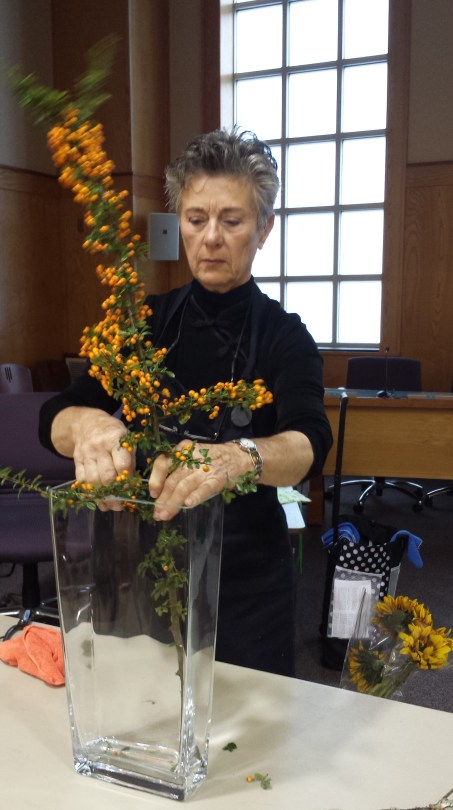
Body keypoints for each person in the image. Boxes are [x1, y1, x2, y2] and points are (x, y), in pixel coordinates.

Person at [39, 127, 333, 677]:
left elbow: (309, 442)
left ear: (264, 229)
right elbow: (54, 416)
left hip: (248, 576)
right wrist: (90, 425)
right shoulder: (144, 324)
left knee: (251, 735)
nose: (212, 238)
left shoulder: (285, 336)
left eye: (233, 220)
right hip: (145, 566)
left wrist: (238, 456)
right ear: (181, 225)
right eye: (197, 220)